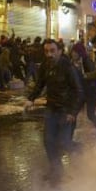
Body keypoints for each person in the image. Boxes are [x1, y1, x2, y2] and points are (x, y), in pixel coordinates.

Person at [24, 39, 84, 183]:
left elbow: (79, 91)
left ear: (60, 51)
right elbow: (39, 84)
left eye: (52, 51)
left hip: (66, 110)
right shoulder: (45, 65)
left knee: (64, 142)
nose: (49, 54)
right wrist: (31, 98)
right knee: (48, 141)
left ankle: (79, 149)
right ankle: (57, 171)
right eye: (46, 51)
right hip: (51, 108)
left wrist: (72, 112)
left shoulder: (68, 67)